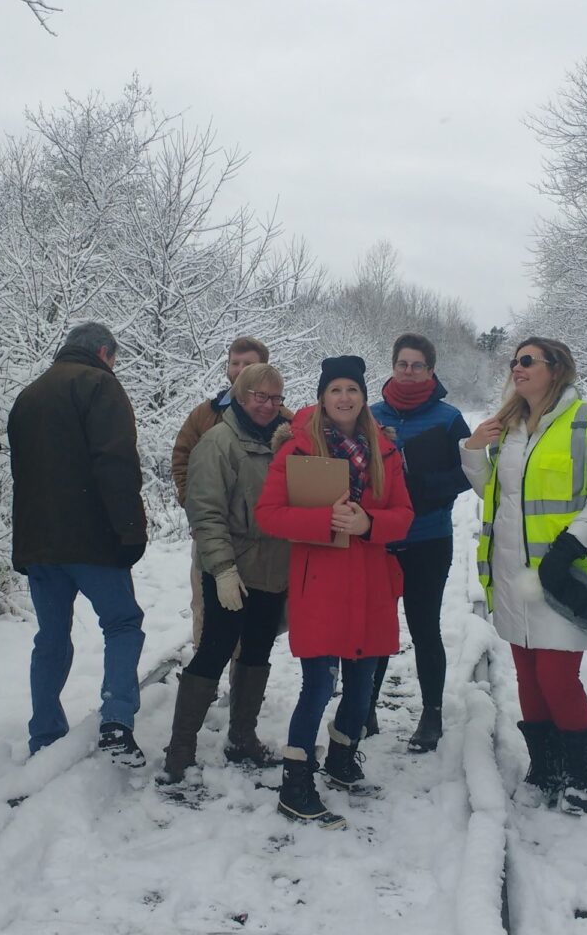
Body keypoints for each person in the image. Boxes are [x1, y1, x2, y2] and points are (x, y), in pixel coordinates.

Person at [461, 338, 587, 815]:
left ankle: (580, 776)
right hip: (513, 575)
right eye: (514, 361)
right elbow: (494, 492)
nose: (518, 367)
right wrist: (474, 450)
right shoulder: (509, 427)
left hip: (562, 575)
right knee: (529, 677)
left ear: (557, 369)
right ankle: (544, 765)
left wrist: (571, 545)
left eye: (528, 360)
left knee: (558, 678)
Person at [255, 356, 414, 829]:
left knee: (363, 681)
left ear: (363, 397)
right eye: (335, 390)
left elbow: (406, 514)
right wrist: (323, 520)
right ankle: (295, 782)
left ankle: (343, 759)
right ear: (322, 397)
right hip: (321, 581)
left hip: (370, 580)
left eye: (352, 390)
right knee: (320, 682)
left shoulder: (384, 449)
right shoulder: (300, 448)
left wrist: (370, 523)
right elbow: (269, 513)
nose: (344, 398)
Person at [8, 322, 150, 766]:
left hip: (39, 543)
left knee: (51, 636)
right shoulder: (100, 386)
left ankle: (45, 733)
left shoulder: (29, 395)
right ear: (105, 352)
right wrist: (130, 530)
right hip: (93, 541)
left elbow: (20, 473)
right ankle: (117, 721)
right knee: (123, 623)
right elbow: (116, 462)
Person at [162, 363, 291, 781]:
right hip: (232, 567)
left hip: (274, 567)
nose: (269, 405)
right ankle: (180, 747)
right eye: (260, 396)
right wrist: (221, 570)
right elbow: (206, 512)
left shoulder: (286, 443)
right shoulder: (218, 443)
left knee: (257, 651)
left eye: (276, 398)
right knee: (215, 651)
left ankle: (242, 737)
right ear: (239, 395)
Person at [368, 333, 473, 752]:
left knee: (424, 626)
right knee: (374, 628)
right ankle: (364, 706)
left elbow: (468, 473)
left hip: (429, 537)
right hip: (378, 539)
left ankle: (431, 716)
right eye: (402, 364)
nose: (408, 372)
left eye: (417, 366)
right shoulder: (369, 414)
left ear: (431, 370)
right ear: (392, 366)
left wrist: (422, 487)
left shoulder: (449, 418)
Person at [172, 337, 271, 647]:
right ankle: (205, 684)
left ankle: (241, 689)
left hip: (258, 541)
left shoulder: (278, 416)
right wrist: (195, 507)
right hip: (211, 535)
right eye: (235, 363)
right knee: (204, 606)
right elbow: (182, 457)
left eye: (249, 363)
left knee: (251, 615)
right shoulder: (205, 414)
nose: (240, 370)